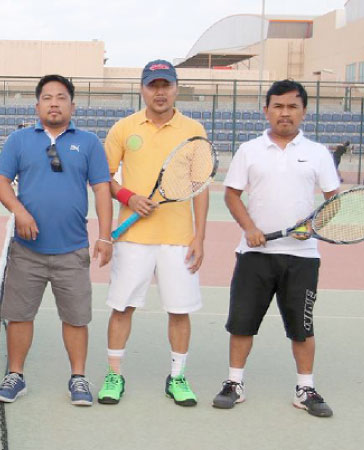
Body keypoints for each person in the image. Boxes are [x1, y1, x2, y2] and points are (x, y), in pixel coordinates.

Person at [212, 80, 339, 417]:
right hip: (255, 255)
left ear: (304, 112)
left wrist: (312, 228)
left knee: (302, 328)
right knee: (241, 324)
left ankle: (305, 388)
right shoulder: (249, 150)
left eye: (292, 107)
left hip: (303, 258)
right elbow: (231, 194)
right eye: (278, 106)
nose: (285, 113)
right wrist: (250, 229)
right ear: (266, 110)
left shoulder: (318, 154)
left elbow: (334, 202)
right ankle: (234, 383)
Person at [0, 74, 112, 406]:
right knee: (19, 315)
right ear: (37, 105)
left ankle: (78, 378)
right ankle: (15, 375)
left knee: (76, 318)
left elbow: (102, 190)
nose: (54, 103)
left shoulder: (88, 142)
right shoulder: (19, 140)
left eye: (61, 97)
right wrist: (19, 212)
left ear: (73, 105)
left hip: (73, 251)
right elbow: (0, 181)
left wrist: (106, 236)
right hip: (27, 250)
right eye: (47, 97)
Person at [98, 60, 208, 406]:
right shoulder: (123, 128)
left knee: (179, 311)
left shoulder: (194, 130)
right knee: (122, 308)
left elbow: (200, 187)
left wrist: (200, 237)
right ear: (142, 89)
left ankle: (177, 378)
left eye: (166, 85)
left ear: (176, 88)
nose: (159, 92)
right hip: (133, 240)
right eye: (152, 85)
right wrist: (130, 197)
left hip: (179, 240)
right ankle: (114, 376)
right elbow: (104, 179)